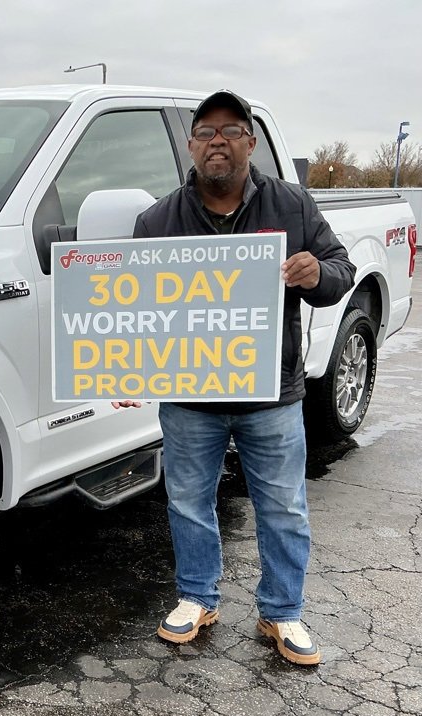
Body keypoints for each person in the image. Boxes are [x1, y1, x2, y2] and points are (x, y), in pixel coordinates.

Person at [115, 90, 355, 666]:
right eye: (204, 132)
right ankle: (197, 597)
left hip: (270, 393)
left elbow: (341, 270)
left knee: (284, 507)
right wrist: (127, 364)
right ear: (192, 146)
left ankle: (281, 610)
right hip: (190, 398)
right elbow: (134, 308)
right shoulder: (157, 220)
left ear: (251, 141)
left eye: (229, 129)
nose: (216, 140)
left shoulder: (292, 207)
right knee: (188, 502)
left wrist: (316, 271)